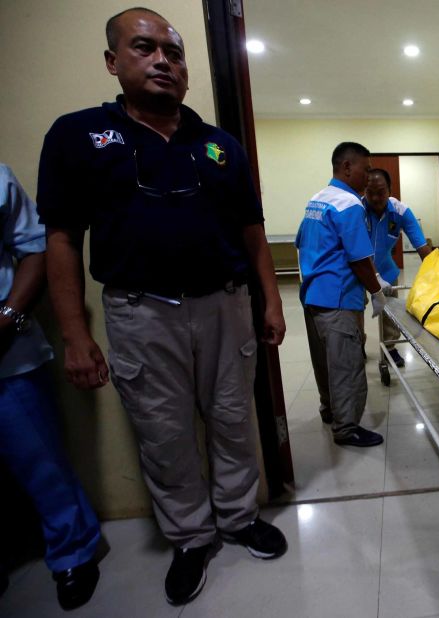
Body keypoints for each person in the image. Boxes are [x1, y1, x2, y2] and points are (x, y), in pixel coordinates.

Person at [36, 8, 287, 606]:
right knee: (164, 432)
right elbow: (62, 239)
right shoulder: (79, 136)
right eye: (144, 49)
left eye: (173, 54)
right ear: (112, 62)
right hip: (140, 313)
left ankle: (237, 515)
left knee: (232, 416)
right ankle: (191, 538)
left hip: (225, 305)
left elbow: (252, 230)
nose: (162, 62)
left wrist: (270, 299)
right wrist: (75, 335)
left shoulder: (220, 145)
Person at [0, 164, 102, 610]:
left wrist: (7, 318)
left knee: (40, 461)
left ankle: (73, 553)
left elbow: (36, 249)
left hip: (6, 356)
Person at [296, 142, 389, 447]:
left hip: (312, 295)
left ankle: (329, 410)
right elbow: (359, 258)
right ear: (347, 167)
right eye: (365, 168)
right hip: (338, 298)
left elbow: (302, 243)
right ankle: (346, 427)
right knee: (347, 364)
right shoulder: (349, 204)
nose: (368, 176)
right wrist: (377, 291)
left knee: (324, 361)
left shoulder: (317, 199)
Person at [363, 168, 432, 367]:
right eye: (370, 192)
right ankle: (358, 343)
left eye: (381, 192)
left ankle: (390, 347)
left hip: (385, 269)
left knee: (389, 310)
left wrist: (436, 276)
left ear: (390, 190)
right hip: (358, 269)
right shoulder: (357, 209)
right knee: (355, 310)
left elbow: (422, 247)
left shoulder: (401, 211)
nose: (375, 198)